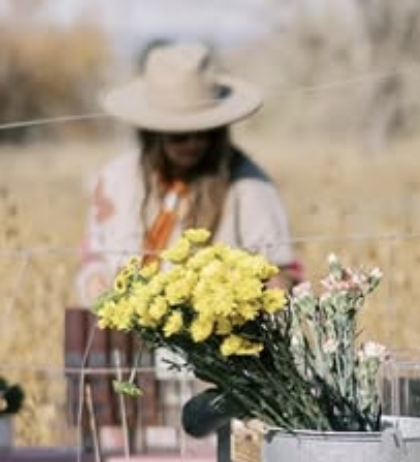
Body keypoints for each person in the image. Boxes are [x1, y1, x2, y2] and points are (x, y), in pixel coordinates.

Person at [75, 40, 302, 304]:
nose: (193, 143)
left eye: (205, 132)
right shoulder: (116, 179)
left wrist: (251, 299)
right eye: (179, 136)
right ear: (153, 133)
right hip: (125, 338)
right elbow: (93, 257)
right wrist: (96, 283)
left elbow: (285, 274)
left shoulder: (250, 186)